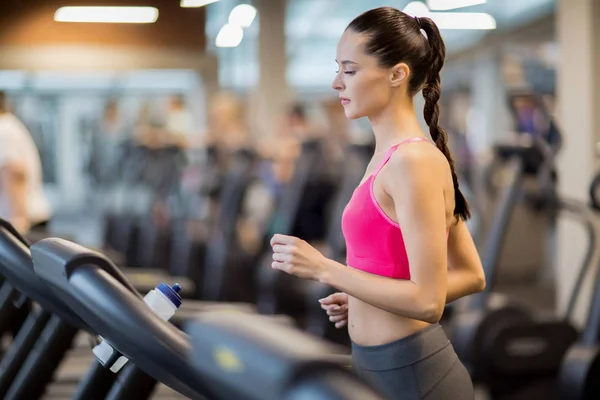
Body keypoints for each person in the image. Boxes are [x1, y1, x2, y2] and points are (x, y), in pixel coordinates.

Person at [270, 7, 485, 400]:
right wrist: (363, 297)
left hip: (416, 376)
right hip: (379, 367)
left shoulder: (413, 162)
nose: (336, 83)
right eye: (338, 69)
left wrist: (325, 269)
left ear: (397, 74)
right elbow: (472, 274)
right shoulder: (387, 156)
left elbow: (428, 300)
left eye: (349, 70)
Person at [0, 91, 52, 234]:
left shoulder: (4, 130)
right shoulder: (9, 126)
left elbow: (14, 175)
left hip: (23, 224)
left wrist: (17, 231)